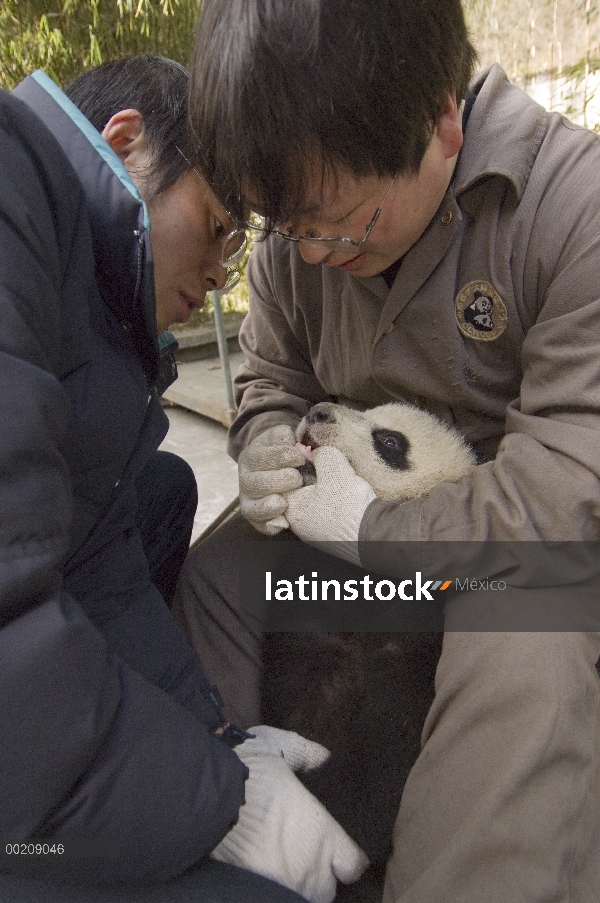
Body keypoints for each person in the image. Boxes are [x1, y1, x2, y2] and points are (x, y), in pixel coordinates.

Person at [172, 1, 600, 901]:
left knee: (529, 627)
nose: (315, 255)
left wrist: (374, 528)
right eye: (290, 230)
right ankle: (225, 810)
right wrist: (263, 448)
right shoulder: (301, 237)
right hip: (343, 525)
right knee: (213, 573)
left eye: (341, 223)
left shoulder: (576, 210)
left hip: (499, 552)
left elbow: (562, 495)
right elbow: (269, 383)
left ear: (442, 118)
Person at [0, 55, 368, 903]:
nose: (216, 280)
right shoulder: (11, 187)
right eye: (215, 227)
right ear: (126, 143)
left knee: (158, 488)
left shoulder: (88, 293)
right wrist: (220, 804)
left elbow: (93, 563)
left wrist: (214, 736)